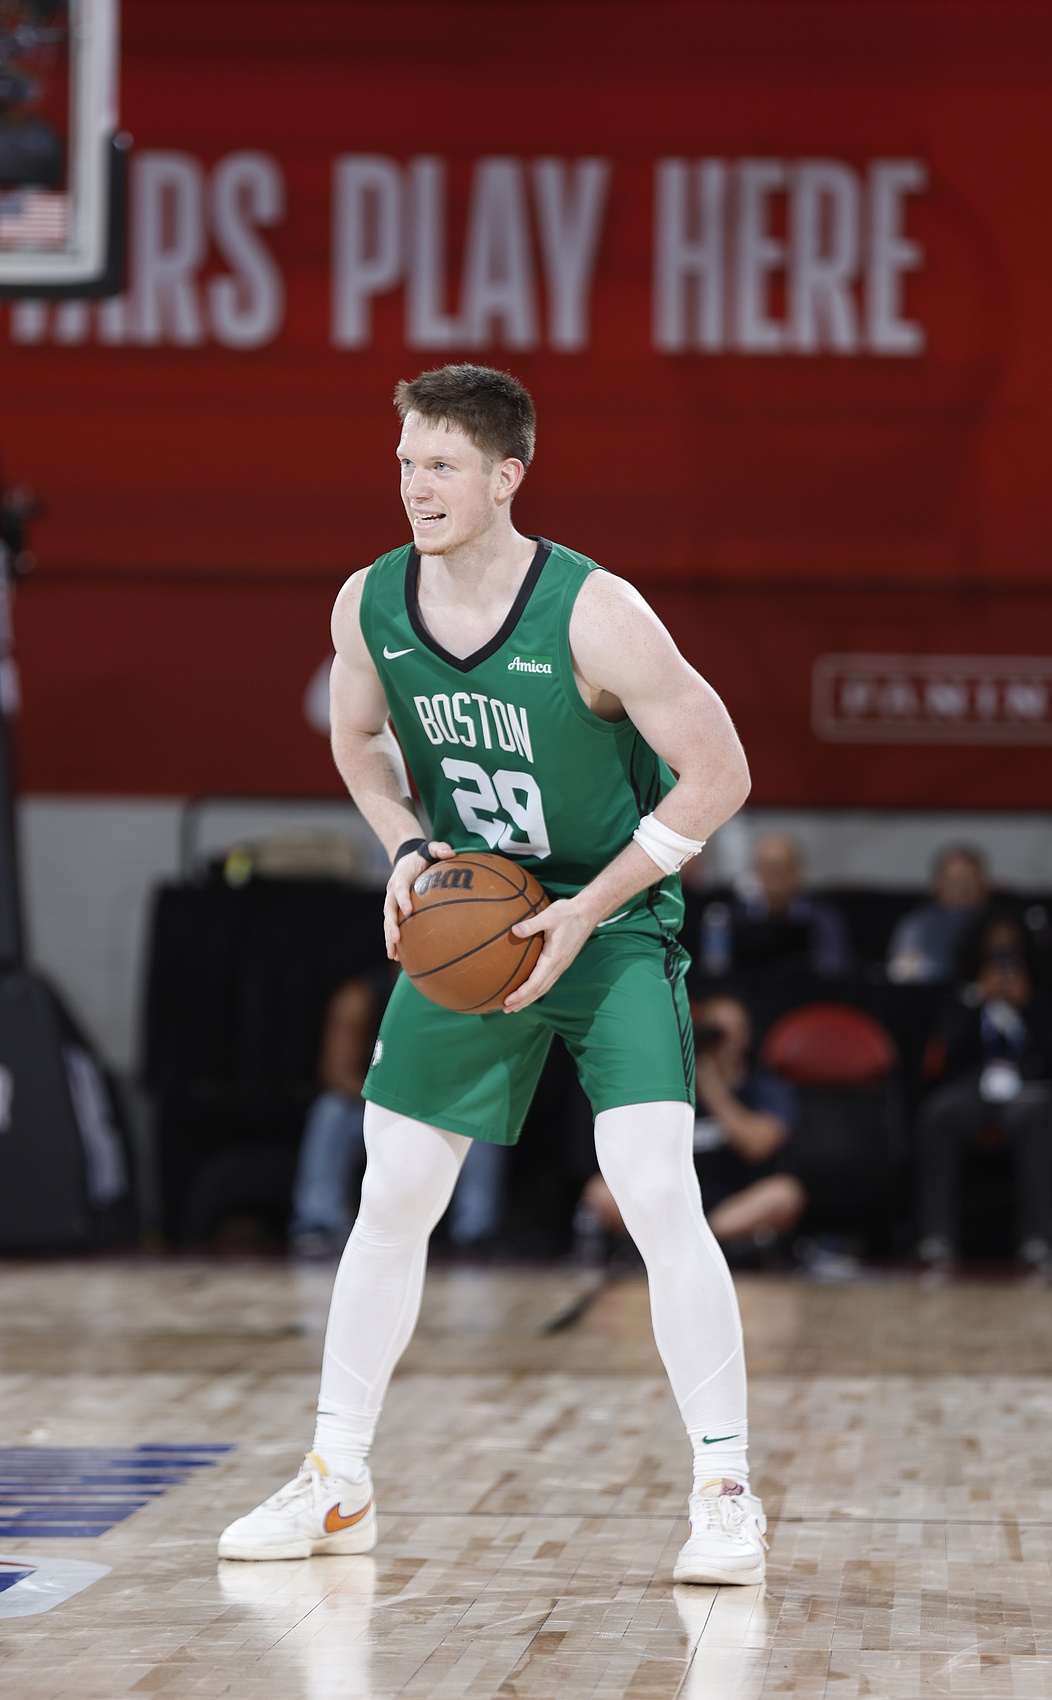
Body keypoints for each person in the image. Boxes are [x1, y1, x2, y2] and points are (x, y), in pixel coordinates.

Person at [218, 364, 765, 1586]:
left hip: (607, 922)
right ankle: (336, 1477)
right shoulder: (371, 601)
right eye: (406, 464)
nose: (416, 487)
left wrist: (591, 906)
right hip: (478, 913)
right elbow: (356, 736)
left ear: (507, 474)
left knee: (656, 1188)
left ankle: (726, 1487)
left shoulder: (596, 611)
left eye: (443, 466)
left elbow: (720, 772)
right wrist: (407, 846)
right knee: (394, 1187)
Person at [288, 966, 507, 1256]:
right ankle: (319, 1222)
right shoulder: (361, 999)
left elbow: (475, 1073)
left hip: (436, 1109)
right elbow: (335, 1073)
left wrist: (432, 1103)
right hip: (372, 1108)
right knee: (330, 1111)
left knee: (479, 1116)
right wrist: (394, 1101)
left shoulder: (460, 997)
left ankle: (477, 1228)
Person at [581, 994, 805, 1254]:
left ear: (747, 1037)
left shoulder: (765, 1088)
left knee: (785, 1194)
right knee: (600, 1190)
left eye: (736, 1031)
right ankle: (683, 1239)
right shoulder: (672, 1085)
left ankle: (698, 1240)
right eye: (717, 1031)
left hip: (733, 1202)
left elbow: (758, 1146)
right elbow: (639, 1152)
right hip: (671, 1203)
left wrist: (713, 1089)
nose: (727, 1040)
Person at [915, 910, 1052, 1274]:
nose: (1003, 961)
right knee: (938, 1114)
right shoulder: (960, 995)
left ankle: (1038, 1237)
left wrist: (1026, 1006)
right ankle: (937, 1235)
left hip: (1024, 1087)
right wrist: (979, 1001)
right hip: (972, 1086)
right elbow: (946, 1055)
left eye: (1010, 950)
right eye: (995, 950)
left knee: (1037, 1116)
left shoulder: (1042, 996)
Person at [702, 831, 851, 991]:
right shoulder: (731, 916)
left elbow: (835, 971)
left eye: (781, 869)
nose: (774, 879)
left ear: (798, 872)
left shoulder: (823, 918)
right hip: (748, 998)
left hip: (806, 996)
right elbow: (715, 969)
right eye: (767, 869)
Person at [886, 845, 989, 984]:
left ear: (983, 886)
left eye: (968, 882)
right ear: (936, 886)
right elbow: (900, 975)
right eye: (952, 882)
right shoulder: (916, 926)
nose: (960, 889)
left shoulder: (998, 928)